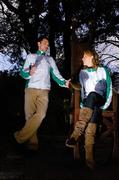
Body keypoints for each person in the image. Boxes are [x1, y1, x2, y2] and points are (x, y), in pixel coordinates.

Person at [14, 36, 70, 151]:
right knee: (29, 117)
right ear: (38, 43)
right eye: (45, 43)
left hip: (44, 91)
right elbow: (23, 73)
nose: (47, 46)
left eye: (48, 44)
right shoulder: (31, 57)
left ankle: (19, 137)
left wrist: (65, 83)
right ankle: (33, 144)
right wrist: (30, 72)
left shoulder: (50, 59)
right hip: (30, 89)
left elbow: (56, 75)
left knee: (41, 115)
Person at [65, 49, 112, 169]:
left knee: (92, 95)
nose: (82, 59)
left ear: (91, 57)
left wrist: (106, 104)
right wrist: (82, 105)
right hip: (89, 105)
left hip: (100, 99)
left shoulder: (103, 70)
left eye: (84, 57)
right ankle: (89, 159)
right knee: (91, 125)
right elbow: (81, 92)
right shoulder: (82, 73)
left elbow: (109, 88)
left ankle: (76, 133)